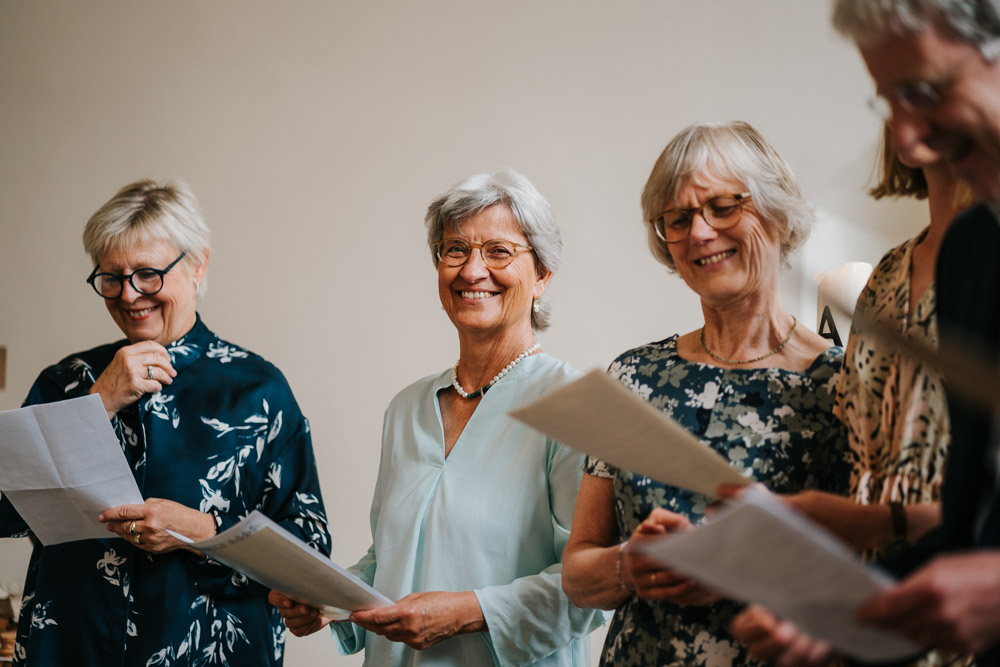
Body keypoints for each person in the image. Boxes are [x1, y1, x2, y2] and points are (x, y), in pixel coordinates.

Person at [731, 0, 1000, 663]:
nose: (908, 141)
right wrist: (851, 617)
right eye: (889, 105)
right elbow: (973, 523)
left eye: (926, 92)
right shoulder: (972, 251)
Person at [270, 168, 602, 666]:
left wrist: (469, 612)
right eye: (455, 250)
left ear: (542, 276)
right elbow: (390, 561)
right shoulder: (406, 408)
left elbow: (590, 588)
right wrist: (329, 602)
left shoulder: (574, 407)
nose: (472, 271)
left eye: (498, 251)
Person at [0, 179, 330, 666]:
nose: (130, 295)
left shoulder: (258, 389)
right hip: (72, 646)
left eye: (149, 274)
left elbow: (309, 546)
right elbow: (5, 512)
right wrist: (99, 402)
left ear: (198, 265)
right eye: (111, 278)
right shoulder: (66, 382)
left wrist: (202, 532)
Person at [559, 120, 851, 665]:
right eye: (679, 218)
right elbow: (577, 574)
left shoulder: (843, 386)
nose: (699, 233)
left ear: (777, 213)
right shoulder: (632, 378)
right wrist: (632, 563)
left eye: (722, 207)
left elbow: (876, 578)